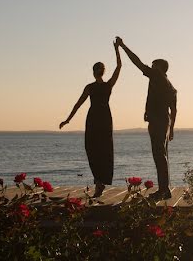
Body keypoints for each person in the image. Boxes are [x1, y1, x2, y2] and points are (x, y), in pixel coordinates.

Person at [115, 36, 177, 200]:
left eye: (153, 65)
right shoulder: (170, 85)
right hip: (164, 120)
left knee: (159, 155)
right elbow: (174, 109)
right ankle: (165, 189)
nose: (150, 67)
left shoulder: (157, 76)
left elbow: (137, 62)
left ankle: (164, 190)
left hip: (158, 121)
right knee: (162, 156)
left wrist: (123, 46)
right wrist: (171, 128)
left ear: (159, 68)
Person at [59, 39, 122, 198]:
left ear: (94, 72)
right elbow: (119, 66)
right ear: (102, 72)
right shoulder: (107, 86)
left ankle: (99, 182)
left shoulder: (91, 87)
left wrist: (68, 120)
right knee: (103, 150)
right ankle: (100, 181)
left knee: (93, 149)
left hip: (94, 118)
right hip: (104, 118)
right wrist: (117, 49)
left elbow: (77, 105)